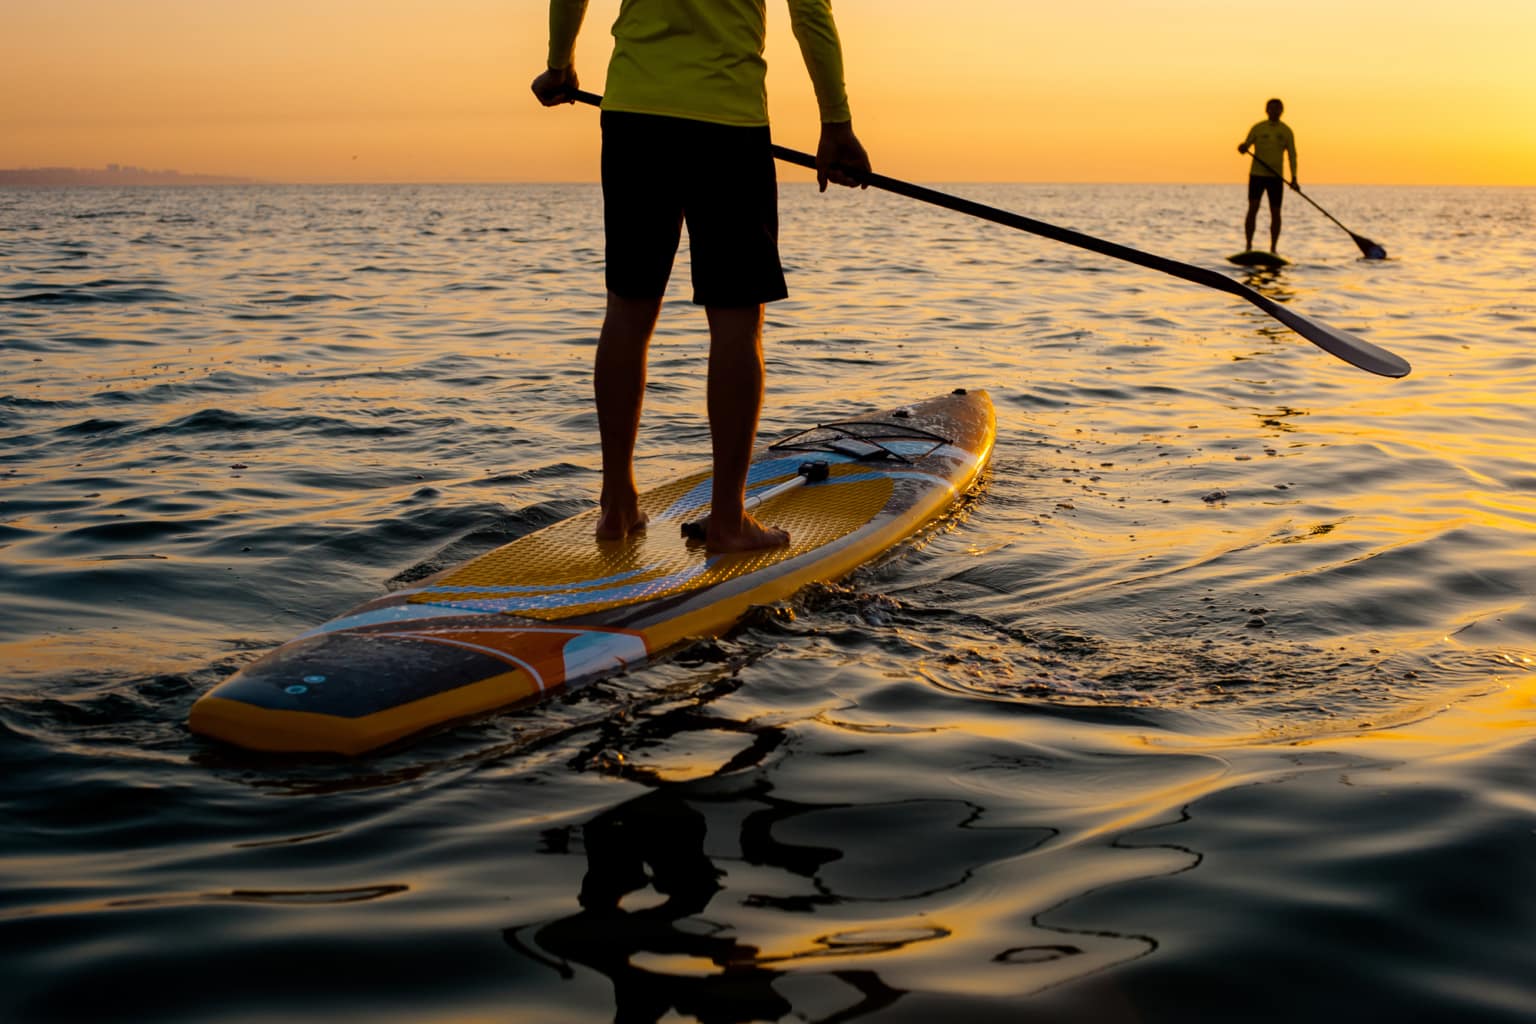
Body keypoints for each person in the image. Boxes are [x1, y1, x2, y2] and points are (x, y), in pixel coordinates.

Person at [531, 0, 871, 553]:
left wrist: (560, 63)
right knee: (737, 322)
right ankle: (728, 520)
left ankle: (617, 506)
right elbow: (810, 12)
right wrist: (835, 123)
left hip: (634, 119)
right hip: (727, 124)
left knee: (628, 310)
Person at [1237, 98, 1298, 253]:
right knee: (1253, 208)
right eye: (1271, 108)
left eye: (1277, 109)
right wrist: (1243, 148)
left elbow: (1292, 156)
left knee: (1275, 212)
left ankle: (1273, 249)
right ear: (1266, 110)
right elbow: (1245, 146)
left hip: (1276, 178)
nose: (1274, 111)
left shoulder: (1286, 131)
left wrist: (1294, 179)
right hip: (1257, 175)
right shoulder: (1258, 128)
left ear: (1281, 111)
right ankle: (1248, 246)